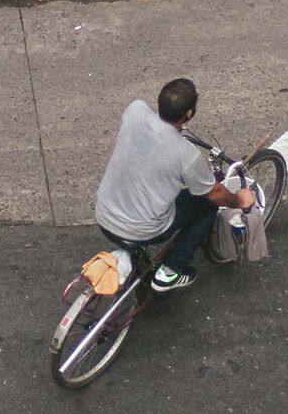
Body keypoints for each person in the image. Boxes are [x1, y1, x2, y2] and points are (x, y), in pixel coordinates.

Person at [95, 77, 240, 294]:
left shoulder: (135, 110)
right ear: (188, 114)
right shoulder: (186, 155)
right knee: (207, 206)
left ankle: (133, 258)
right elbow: (216, 193)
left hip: (103, 214)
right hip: (143, 230)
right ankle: (171, 270)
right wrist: (240, 200)